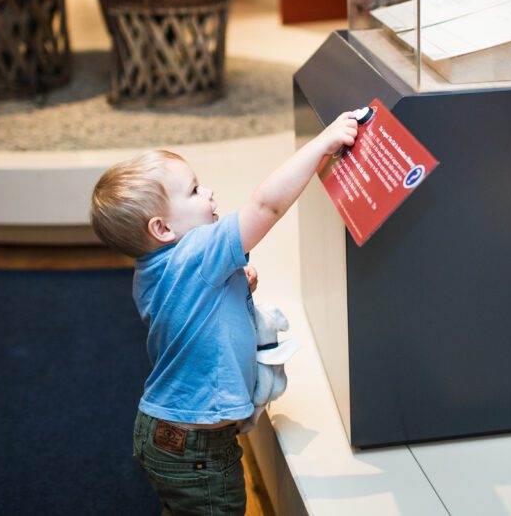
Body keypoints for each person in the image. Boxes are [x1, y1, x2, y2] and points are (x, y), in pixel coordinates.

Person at [89, 112, 359, 515]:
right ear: (162, 229)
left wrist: (233, 288)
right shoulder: (197, 253)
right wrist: (322, 145)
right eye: (195, 190)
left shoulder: (152, 270)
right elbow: (266, 206)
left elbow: (187, 316)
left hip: (164, 435)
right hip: (198, 451)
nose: (210, 192)